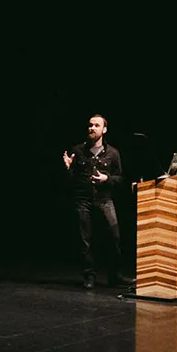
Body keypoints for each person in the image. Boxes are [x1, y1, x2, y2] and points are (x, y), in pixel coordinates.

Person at [62, 114, 135, 290]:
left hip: (104, 200)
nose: (92, 128)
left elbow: (120, 179)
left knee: (114, 236)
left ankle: (115, 275)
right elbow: (70, 181)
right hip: (83, 200)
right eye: (90, 125)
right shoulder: (78, 151)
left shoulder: (113, 153)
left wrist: (106, 179)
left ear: (104, 130)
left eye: (96, 125)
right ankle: (89, 276)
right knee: (85, 240)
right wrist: (68, 169)